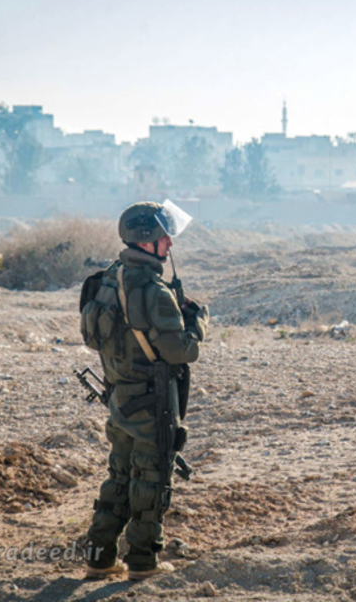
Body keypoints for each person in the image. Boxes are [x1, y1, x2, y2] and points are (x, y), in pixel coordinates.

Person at [80, 200, 209, 581]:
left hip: (119, 396)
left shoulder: (109, 278)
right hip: (152, 403)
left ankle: (99, 557)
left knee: (119, 475)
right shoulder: (153, 291)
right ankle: (142, 561)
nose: (170, 244)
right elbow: (182, 352)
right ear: (146, 240)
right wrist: (197, 323)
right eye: (164, 237)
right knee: (151, 480)